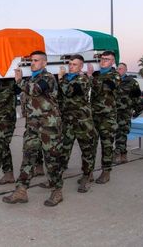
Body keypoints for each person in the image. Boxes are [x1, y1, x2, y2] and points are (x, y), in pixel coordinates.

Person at [2, 50, 64, 207]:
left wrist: (19, 81)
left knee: (52, 160)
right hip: (32, 127)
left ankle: (57, 191)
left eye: (36, 60)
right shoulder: (30, 79)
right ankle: (21, 191)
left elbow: (35, 89)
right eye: (31, 60)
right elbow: (20, 92)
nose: (33, 63)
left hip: (49, 126)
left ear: (44, 63)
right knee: (28, 158)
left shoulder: (48, 78)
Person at [58, 55, 97, 193]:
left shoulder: (83, 79)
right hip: (67, 121)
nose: (71, 66)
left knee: (86, 150)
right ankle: (56, 178)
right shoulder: (67, 78)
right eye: (70, 64)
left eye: (74, 64)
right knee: (63, 149)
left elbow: (68, 91)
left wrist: (61, 78)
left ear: (81, 66)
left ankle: (87, 177)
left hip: (82, 122)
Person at [87, 51, 121, 184]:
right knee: (90, 145)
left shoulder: (115, 76)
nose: (103, 61)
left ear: (112, 62)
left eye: (107, 59)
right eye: (102, 58)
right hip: (93, 115)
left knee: (106, 145)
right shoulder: (96, 74)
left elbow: (103, 88)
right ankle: (88, 172)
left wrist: (89, 77)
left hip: (107, 117)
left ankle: (106, 172)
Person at [113, 62, 143, 164]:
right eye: (117, 69)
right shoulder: (113, 81)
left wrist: (138, 111)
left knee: (121, 133)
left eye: (121, 69)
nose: (118, 70)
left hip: (125, 112)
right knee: (119, 133)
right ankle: (123, 154)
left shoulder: (132, 82)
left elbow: (137, 98)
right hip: (113, 112)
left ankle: (117, 154)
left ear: (126, 70)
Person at [20, 89, 44, 177]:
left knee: (31, 145)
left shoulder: (24, 93)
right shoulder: (40, 91)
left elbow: (23, 111)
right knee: (39, 143)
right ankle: (39, 167)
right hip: (40, 120)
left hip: (32, 122)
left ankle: (35, 167)